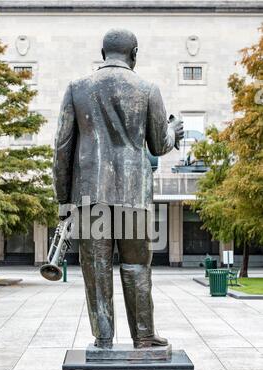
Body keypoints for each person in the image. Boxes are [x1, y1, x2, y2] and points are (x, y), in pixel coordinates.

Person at [54, 29, 184, 349]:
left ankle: (103, 338)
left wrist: (63, 201)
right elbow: (159, 144)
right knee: (137, 264)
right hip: (133, 195)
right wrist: (173, 133)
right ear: (134, 54)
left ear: (103, 53)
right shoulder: (148, 89)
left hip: (89, 196)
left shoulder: (77, 88)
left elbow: (62, 150)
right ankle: (143, 334)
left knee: (96, 268)